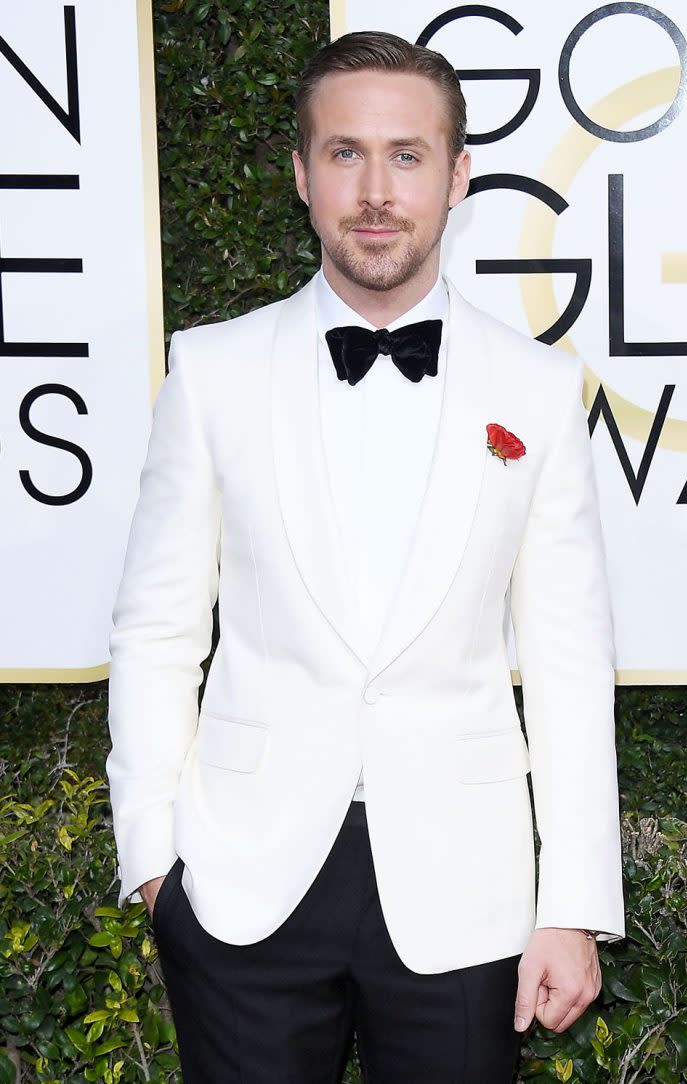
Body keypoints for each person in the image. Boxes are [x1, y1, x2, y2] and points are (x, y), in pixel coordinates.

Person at [106, 29, 625, 1084]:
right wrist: (156, 864)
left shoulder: (535, 389)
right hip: (244, 886)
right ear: (303, 175)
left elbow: (569, 661)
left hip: (465, 892)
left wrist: (572, 903)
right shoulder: (211, 374)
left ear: (457, 176)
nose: (376, 190)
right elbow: (157, 631)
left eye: (407, 154)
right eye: (345, 154)